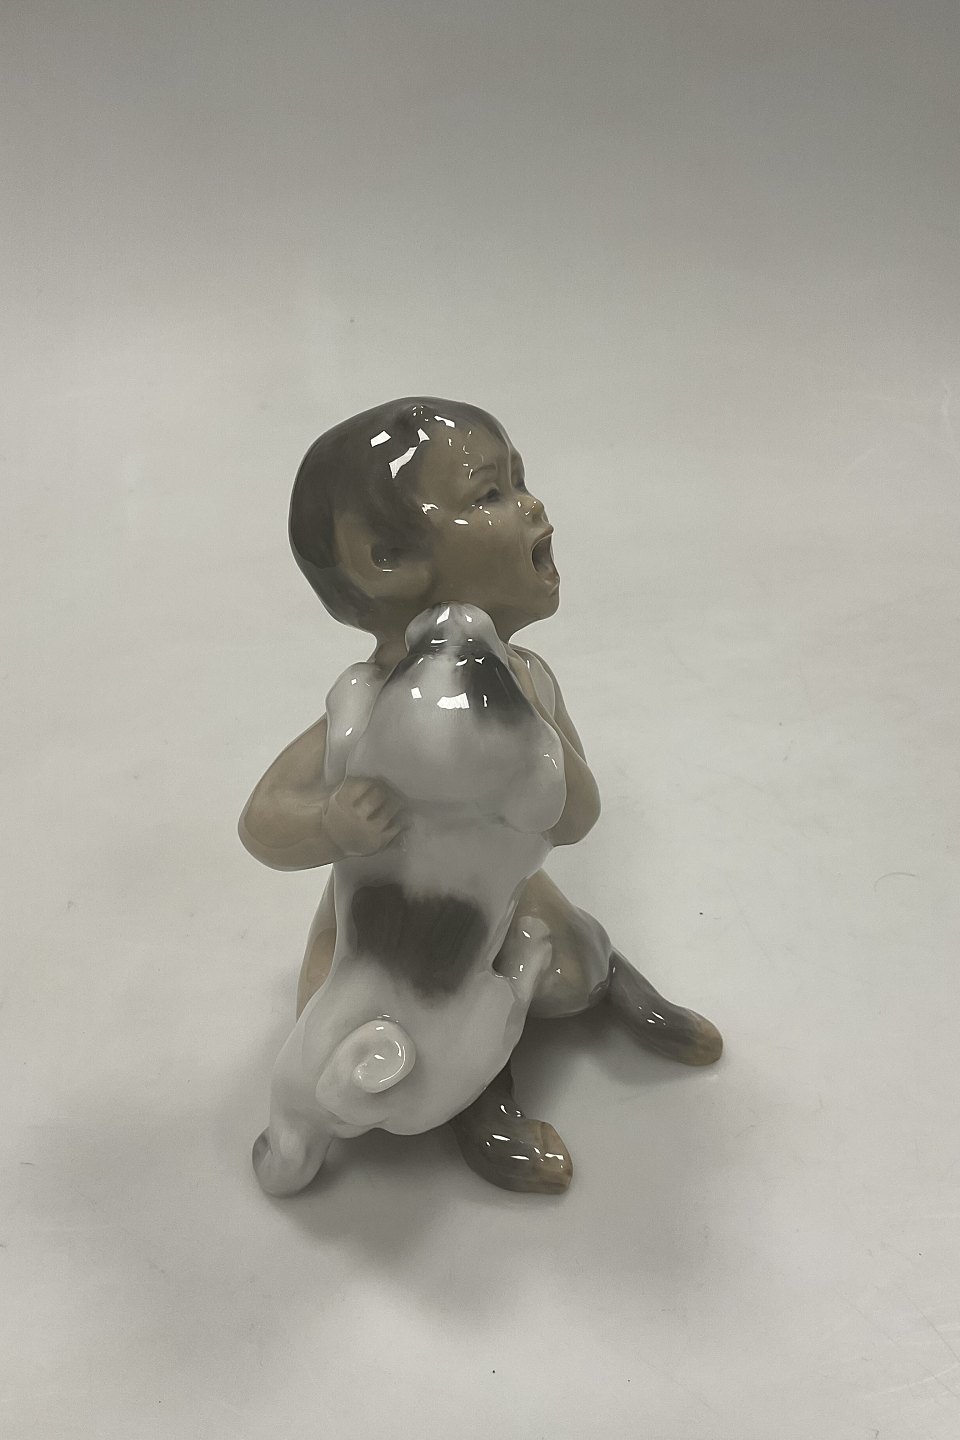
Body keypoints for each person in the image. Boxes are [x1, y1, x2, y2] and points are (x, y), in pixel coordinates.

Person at [240, 397, 722, 1194]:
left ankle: (622, 989)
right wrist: (330, 824)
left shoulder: (529, 682)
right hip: (381, 932)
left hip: (498, 903)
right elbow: (261, 823)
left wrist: (536, 754)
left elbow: (579, 819)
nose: (531, 505)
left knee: (569, 969)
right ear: (385, 558)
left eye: (520, 481)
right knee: (339, 1025)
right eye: (491, 492)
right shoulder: (361, 707)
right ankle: (484, 1111)